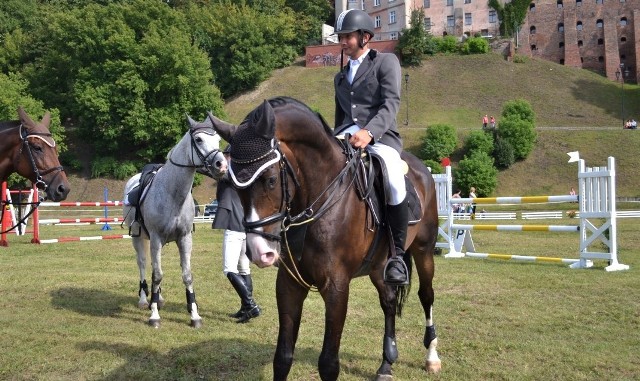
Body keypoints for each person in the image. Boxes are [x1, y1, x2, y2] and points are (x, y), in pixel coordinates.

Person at [333, 9, 408, 285]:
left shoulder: (386, 62)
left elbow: (391, 104)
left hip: (381, 138)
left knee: (394, 180)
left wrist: (370, 132)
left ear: (365, 37)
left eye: (347, 37)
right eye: (340, 37)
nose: (343, 41)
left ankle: (397, 255)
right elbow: (339, 119)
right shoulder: (339, 78)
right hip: (347, 139)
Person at [212, 146, 260, 323]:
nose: (224, 159)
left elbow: (216, 172)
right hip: (246, 226)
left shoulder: (231, 173)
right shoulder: (247, 173)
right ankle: (245, 308)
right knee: (244, 269)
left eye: (226, 156)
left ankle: (251, 305)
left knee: (229, 269)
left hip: (234, 225)